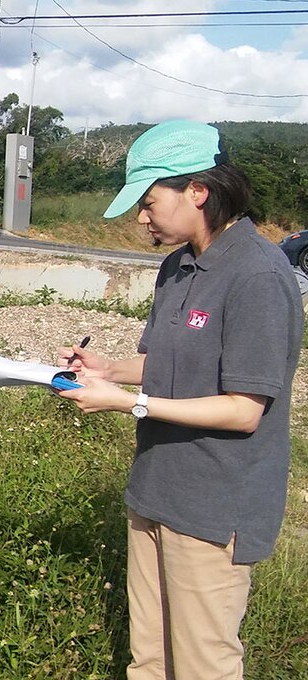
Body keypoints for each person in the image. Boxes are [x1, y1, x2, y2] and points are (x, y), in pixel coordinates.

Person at [54, 120, 303, 679]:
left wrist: (128, 404)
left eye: (148, 202)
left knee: (200, 664)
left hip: (213, 507)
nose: (142, 218)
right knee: (149, 659)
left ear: (198, 191)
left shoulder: (259, 276)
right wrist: (108, 369)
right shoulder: (177, 265)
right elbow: (167, 363)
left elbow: (244, 409)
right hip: (155, 489)